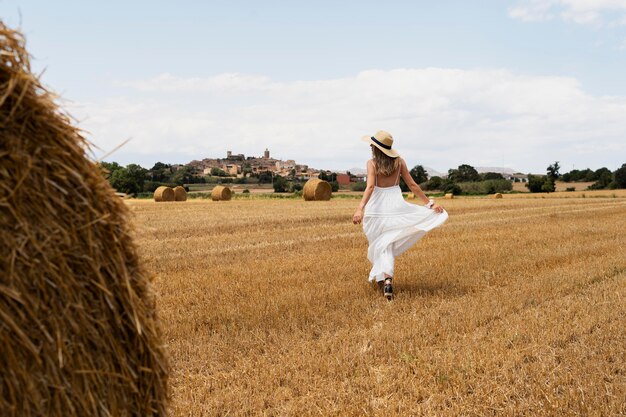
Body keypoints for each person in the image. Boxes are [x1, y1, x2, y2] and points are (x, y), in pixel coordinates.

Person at [352, 131, 448, 300]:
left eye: (372, 145)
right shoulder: (399, 162)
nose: (370, 147)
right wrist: (429, 204)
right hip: (396, 207)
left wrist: (360, 208)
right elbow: (412, 184)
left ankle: (386, 278)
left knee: (381, 244)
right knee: (386, 243)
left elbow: (370, 187)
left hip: (376, 210)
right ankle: (386, 279)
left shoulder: (371, 164)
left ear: (376, 148)